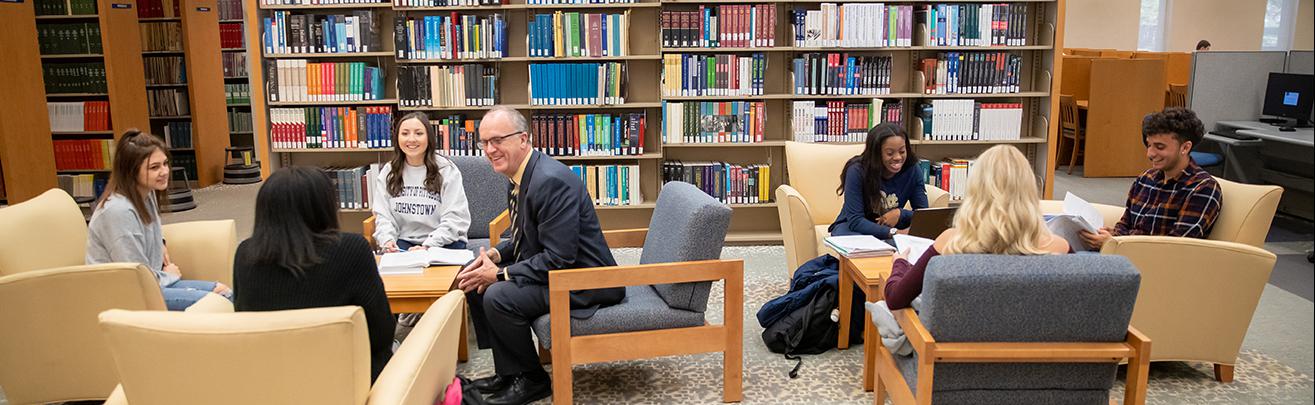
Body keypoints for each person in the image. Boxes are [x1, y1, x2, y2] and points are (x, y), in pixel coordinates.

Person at [455, 106, 625, 405]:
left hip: (585, 280)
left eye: (497, 140)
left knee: (497, 294)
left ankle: (532, 381)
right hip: (560, 270)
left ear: (523, 139)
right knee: (474, 276)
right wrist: (495, 255)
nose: (489, 149)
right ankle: (510, 373)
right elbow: (524, 234)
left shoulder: (550, 181)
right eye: (484, 142)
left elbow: (559, 258)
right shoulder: (522, 174)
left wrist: (500, 274)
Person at [232, 166, 396, 382]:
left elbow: (243, 319)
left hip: (270, 380)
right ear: (324, 206)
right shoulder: (351, 249)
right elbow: (382, 333)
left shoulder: (245, 253)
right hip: (346, 380)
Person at [884, 145, 1070, 310]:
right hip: (1036, 347)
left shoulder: (952, 242)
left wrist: (900, 264)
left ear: (976, 189)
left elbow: (895, 299)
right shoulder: (1058, 248)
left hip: (956, 346)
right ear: (1030, 190)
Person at [86, 129, 231, 311]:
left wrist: (160, 242)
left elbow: (149, 232)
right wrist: (168, 276)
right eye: (154, 167)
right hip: (127, 294)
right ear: (131, 171)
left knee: (225, 294)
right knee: (217, 300)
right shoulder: (118, 212)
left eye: (165, 164)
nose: (164, 172)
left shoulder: (146, 193)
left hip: (153, 283)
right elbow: (134, 275)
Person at [1079, 108, 1222, 251]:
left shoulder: (1203, 188)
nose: (1150, 154)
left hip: (1154, 264)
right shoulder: (1145, 178)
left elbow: (1177, 246)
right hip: (1121, 253)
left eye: (1159, 147)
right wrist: (1112, 235)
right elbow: (1125, 224)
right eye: (1149, 145)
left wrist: (1115, 243)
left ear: (1185, 147)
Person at [372, 111, 472, 252]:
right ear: (397, 138)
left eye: (419, 133)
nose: (411, 139)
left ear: (429, 138)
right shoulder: (389, 171)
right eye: (405, 133)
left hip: (445, 243)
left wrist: (428, 246)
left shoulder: (446, 170)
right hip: (404, 243)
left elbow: (455, 218)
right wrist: (387, 241)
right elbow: (383, 216)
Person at [829, 123, 929, 240]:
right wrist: (895, 233)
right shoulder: (857, 171)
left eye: (902, 151)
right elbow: (855, 220)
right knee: (859, 244)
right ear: (876, 153)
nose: (898, 157)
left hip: (892, 226)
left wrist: (901, 214)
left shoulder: (912, 169)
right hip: (855, 229)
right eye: (890, 153)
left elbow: (924, 215)